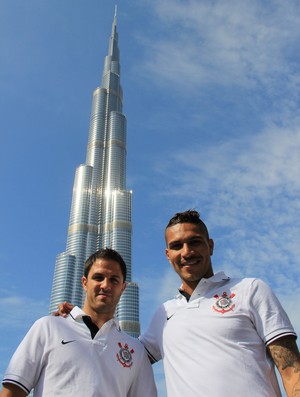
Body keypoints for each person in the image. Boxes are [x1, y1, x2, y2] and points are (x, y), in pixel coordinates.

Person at [139, 210, 300, 397]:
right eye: (177, 246)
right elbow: (122, 359)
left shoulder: (250, 289)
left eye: (194, 242)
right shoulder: (164, 314)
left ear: (210, 246)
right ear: (168, 255)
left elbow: (291, 369)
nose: (187, 252)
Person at [0, 248, 157, 397]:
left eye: (114, 280)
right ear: (84, 282)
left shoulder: (135, 350)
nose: (105, 285)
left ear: (123, 288)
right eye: (98, 277)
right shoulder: (48, 327)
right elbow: (12, 391)